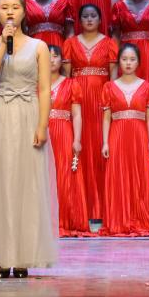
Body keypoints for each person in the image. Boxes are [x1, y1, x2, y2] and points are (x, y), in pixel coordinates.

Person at [0, 0, 58, 278]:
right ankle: (2, 257)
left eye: (15, 7)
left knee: (27, 185)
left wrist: (42, 126)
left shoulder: (39, 46)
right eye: (4, 7)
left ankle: (23, 257)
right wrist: (2, 45)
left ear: (24, 12)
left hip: (28, 113)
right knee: (1, 183)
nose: (9, 12)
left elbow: (45, 89)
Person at [98, 44, 149, 236]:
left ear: (138, 62)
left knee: (140, 177)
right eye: (124, 59)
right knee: (118, 176)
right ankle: (119, 220)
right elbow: (106, 118)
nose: (128, 63)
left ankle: (140, 218)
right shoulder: (109, 87)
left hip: (139, 136)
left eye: (132, 59)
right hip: (117, 135)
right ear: (119, 62)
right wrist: (105, 142)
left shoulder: (148, 87)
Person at [62, 4, 118, 220]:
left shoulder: (110, 43)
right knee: (79, 147)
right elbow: (66, 78)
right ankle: (80, 207)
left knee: (99, 146)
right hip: (77, 101)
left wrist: (112, 102)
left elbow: (113, 78)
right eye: (85, 16)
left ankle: (102, 208)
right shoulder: (70, 43)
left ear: (100, 19)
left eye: (93, 16)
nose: (89, 19)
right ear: (79, 20)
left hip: (101, 102)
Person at [46, 45, 93, 237]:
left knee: (65, 175)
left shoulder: (71, 84)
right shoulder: (35, 85)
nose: (51, 60)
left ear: (62, 60)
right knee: (43, 176)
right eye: (47, 56)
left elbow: (77, 115)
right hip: (43, 133)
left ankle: (65, 219)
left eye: (55, 56)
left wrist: (77, 139)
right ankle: (43, 222)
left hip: (64, 133)